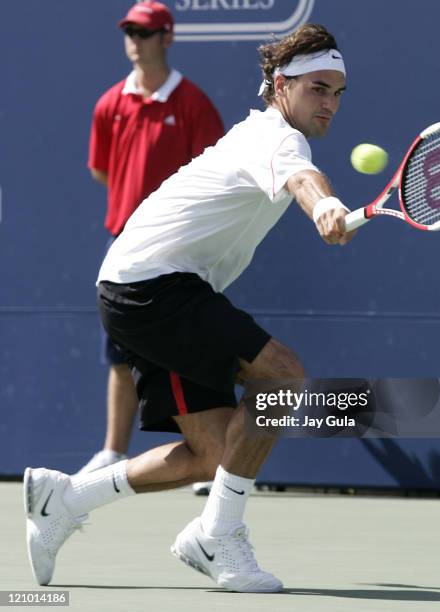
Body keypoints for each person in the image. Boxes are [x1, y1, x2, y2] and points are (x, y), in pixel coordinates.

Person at [24, 23, 355, 593]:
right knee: (284, 375)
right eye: (316, 88)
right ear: (281, 86)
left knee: (217, 452)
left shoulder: (264, 134)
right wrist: (324, 204)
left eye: (336, 92)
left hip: (143, 285)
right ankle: (218, 535)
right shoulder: (276, 138)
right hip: (154, 285)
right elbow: (303, 177)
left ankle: (65, 499)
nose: (328, 102)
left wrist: (321, 199)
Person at [79, 1, 224, 491]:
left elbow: (215, 177)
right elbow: (103, 170)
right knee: (119, 356)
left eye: (144, 32)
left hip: (181, 246)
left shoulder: (193, 104)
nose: (134, 40)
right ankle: (112, 451)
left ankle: (208, 457)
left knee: (190, 349)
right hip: (125, 247)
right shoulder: (108, 104)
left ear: (166, 37)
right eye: (129, 31)